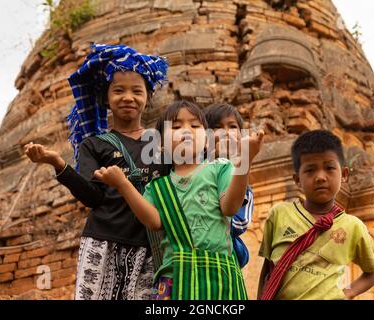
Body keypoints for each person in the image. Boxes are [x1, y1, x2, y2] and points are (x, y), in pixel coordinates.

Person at [24, 44, 169, 300]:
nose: (128, 97)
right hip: (102, 242)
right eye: (119, 91)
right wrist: (58, 164)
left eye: (137, 91)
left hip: (150, 245)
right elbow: (93, 197)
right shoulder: (96, 144)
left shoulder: (162, 143)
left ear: (147, 97)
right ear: (106, 99)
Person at [94, 100, 264, 300]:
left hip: (220, 276)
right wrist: (123, 185)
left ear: (207, 140)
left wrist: (245, 161)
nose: (186, 131)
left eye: (194, 125)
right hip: (173, 278)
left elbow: (230, 207)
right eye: (176, 126)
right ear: (162, 145)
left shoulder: (221, 168)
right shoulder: (158, 187)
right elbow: (154, 222)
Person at [258, 130, 374, 300]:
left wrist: (347, 292)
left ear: (344, 174)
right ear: (297, 180)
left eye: (329, 168)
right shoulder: (279, 214)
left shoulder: (353, 227)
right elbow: (268, 269)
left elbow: (373, 273)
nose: (320, 177)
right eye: (310, 170)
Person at [203, 103, 254, 268]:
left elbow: (240, 222)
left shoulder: (241, 183)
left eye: (233, 127)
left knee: (240, 251)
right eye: (217, 127)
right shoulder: (191, 172)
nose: (225, 132)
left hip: (222, 248)